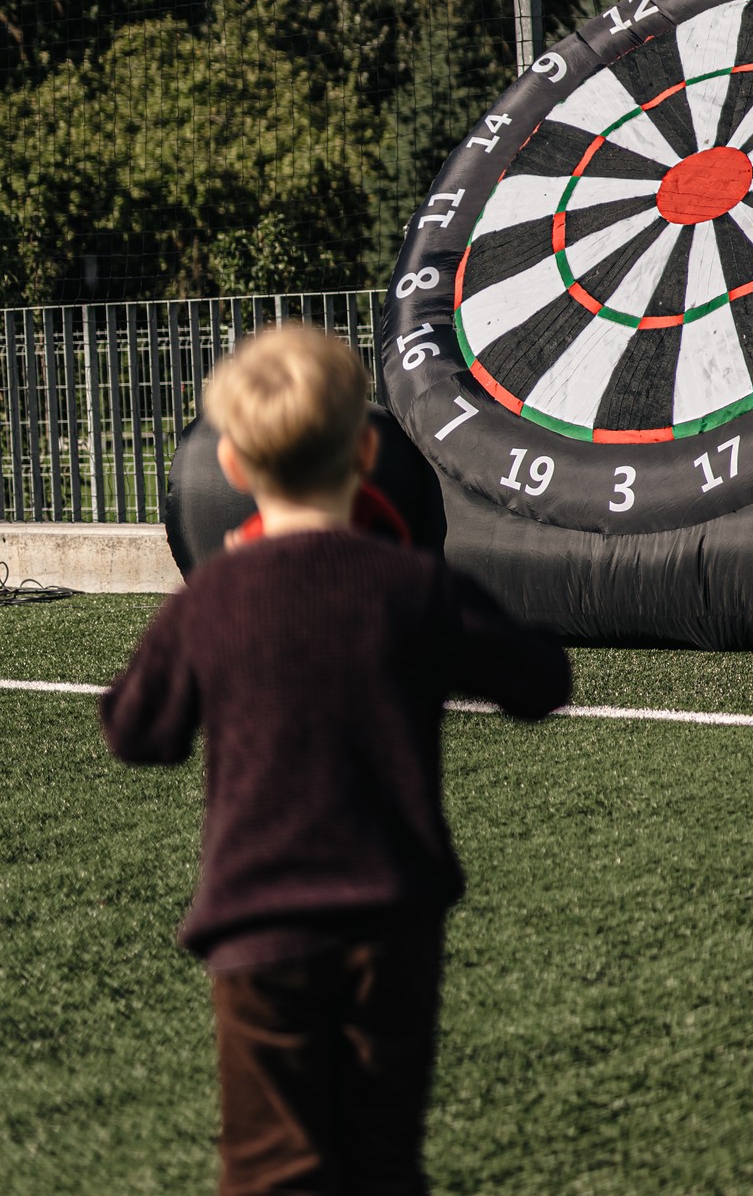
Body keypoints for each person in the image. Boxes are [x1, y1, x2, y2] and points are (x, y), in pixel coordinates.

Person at [100, 323, 571, 1195]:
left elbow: (138, 732)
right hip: (391, 927)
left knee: (271, 1168)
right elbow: (541, 680)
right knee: (383, 1164)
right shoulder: (411, 586)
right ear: (364, 449)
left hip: (257, 933)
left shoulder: (211, 600)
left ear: (234, 469)